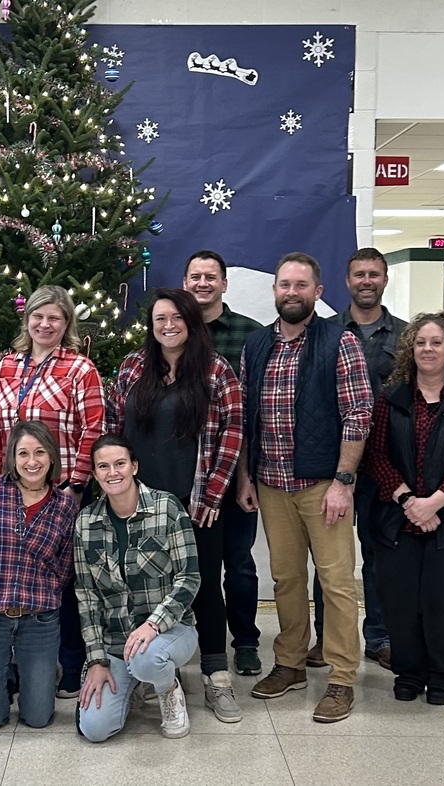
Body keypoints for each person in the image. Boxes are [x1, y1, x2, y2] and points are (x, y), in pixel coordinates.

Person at [236, 252, 372, 724]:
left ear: (317, 291)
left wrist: (343, 481)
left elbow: (358, 413)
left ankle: (341, 678)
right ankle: (290, 663)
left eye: (300, 285)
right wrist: (246, 476)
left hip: (323, 486)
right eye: (284, 284)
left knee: (336, 582)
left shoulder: (340, 341)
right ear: (274, 290)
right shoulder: (256, 344)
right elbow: (246, 417)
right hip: (272, 485)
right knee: (287, 579)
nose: (291, 292)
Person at [107, 288, 243, 724]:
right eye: (160, 319)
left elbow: (233, 431)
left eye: (176, 318)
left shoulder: (215, 369)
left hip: (195, 501)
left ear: (191, 321)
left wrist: (214, 493)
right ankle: (157, 675)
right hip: (140, 504)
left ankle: (216, 676)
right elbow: (113, 427)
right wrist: (115, 487)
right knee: (145, 586)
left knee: (204, 588)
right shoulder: (132, 367)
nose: (168, 326)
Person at [0, 284, 105, 697]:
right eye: (38, 316)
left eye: (55, 317)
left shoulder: (80, 369)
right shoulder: (6, 366)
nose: (45, 324)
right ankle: (16, 665)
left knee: (64, 578)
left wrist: (77, 485)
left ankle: (71, 661)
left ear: (67, 323)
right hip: (14, 491)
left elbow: (94, 429)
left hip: (63, 492)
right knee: (14, 573)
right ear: (27, 319)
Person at [367, 311, 444, 705]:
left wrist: (434, 503)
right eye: (420, 342)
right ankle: (409, 672)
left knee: (443, 603)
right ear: (410, 349)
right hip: (398, 517)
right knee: (400, 602)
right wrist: (409, 501)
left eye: (436, 342)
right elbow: (376, 455)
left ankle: (443, 676)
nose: (427, 349)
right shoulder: (392, 398)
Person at [308, 248, 406, 671]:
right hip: (334, 465)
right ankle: (326, 637)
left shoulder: (405, 336)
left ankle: (380, 636)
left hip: (385, 464)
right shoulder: (324, 332)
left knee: (379, 554)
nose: (367, 281)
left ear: (384, 280)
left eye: (374, 274)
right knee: (329, 558)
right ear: (347, 281)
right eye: (359, 274)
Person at [0, 421, 77, 730]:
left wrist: (45, 592)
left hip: (38, 619)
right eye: (23, 453)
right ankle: (3, 678)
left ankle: (30, 677)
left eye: (39, 452)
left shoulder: (64, 506)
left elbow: (64, 565)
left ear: (52, 457)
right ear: (12, 457)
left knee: (38, 718)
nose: (32, 461)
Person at [75, 435, 201, 741]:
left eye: (120, 463)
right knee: (94, 730)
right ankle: (133, 682)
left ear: (134, 466)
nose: (112, 472)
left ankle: (167, 689)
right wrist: (96, 659)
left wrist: (154, 624)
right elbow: (87, 597)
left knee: (147, 658)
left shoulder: (167, 507)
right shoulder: (85, 522)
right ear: (94, 474)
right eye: (103, 466)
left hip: (170, 631)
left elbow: (189, 578)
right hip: (116, 642)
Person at [183, 250, 265, 677]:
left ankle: (245, 642)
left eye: (210, 277)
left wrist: (245, 477)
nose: (203, 283)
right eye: (195, 276)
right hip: (185, 476)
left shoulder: (251, 335)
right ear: (185, 283)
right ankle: (196, 640)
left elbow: (250, 415)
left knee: (238, 563)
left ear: (224, 284)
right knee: (192, 566)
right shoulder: (173, 332)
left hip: (234, 473)